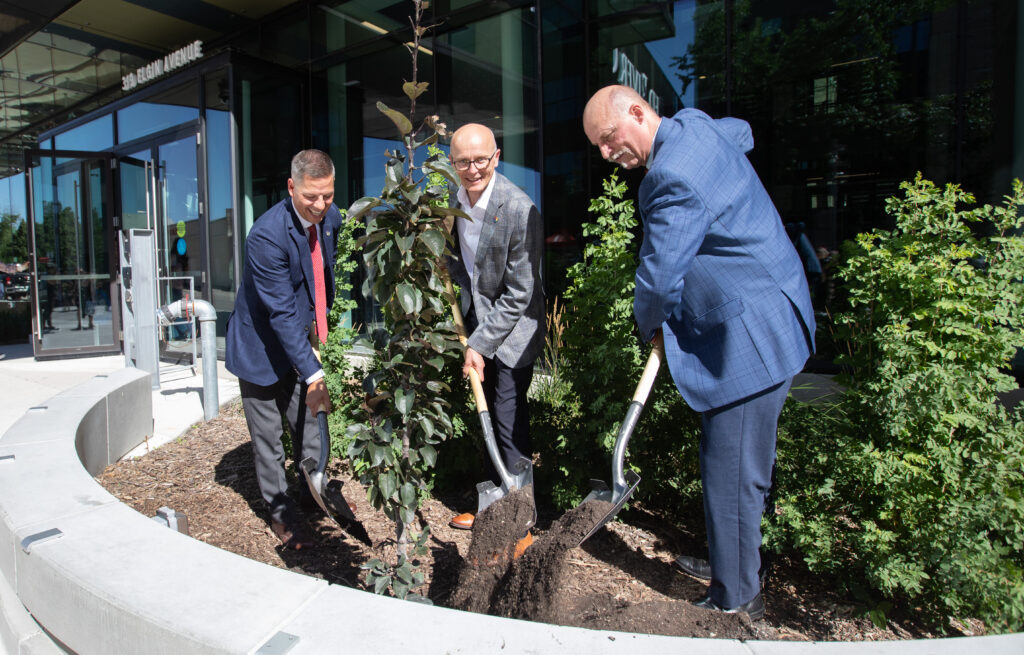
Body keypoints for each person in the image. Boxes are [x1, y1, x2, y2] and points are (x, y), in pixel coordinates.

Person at [582, 85, 815, 620]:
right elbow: (743, 133)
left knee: (731, 472)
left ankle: (736, 601)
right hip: (775, 307)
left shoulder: (670, 178)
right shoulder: (696, 125)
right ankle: (736, 566)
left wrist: (651, 325)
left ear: (638, 113)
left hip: (748, 337)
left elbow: (660, 279)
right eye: (597, 146)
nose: (605, 154)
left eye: (609, 139)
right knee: (742, 464)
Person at [225, 149, 345, 550]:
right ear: (291, 187)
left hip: (296, 341)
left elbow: (319, 271)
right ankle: (280, 512)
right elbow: (278, 312)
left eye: (327, 195)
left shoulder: (329, 219)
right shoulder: (265, 236)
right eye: (311, 196)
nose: (320, 205)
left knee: (310, 422)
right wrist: (314, 372)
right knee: (269, 440)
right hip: (260, 347)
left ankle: (314, 492)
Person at [445, 123, 545, 530]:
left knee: (507, 416)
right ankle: (491, 502)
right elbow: (460, 261)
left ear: (496, 157)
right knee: (483, 409)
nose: (472, 169)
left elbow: (522, 292)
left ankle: (523, 517)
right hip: (475, 323)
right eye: (463, 162)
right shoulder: (450, 201)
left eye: (480, 160)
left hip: (513, 330)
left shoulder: (519, 209)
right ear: (452, 163)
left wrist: (481, 344)